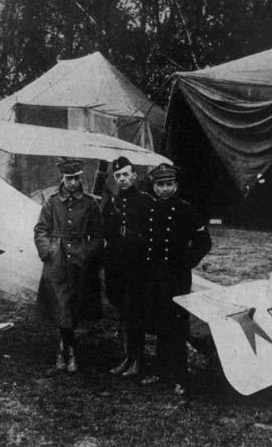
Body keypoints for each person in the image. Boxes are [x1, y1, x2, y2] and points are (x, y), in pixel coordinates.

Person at [139, 163, 211, 396]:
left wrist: (186, 262)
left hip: (177, 279)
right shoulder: (149, 210)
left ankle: (181, 376)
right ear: (154, 186)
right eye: (160, 185)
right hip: (154, 277)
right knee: (160, 324)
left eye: (169, 184)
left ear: (176, 185)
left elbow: (203, 242)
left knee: (177, 327)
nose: (165, 189)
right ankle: (160, 371)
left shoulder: (186, 210)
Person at [34, 159, 103, 374]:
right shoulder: (52, 202)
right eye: (69, 179)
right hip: (58, 261)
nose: (73, 183)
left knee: (74, 305)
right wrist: (49, 252)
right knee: (60, 304)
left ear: (81, 177)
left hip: (80, 261)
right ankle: (67, 352)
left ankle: (66, 346)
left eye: (76, 178)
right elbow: (40, 230)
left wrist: (89, 252)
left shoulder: (90, 203)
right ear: (62, 178)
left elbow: (99, 234)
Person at [102, 157, 155, 378]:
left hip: (138, 268)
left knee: (136, 315)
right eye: (118, 176)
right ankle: (128, 358)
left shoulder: (146, 202)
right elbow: (107, 235)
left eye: (126, 174)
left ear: (134, 176)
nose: (122, 179)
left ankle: (137, 360)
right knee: (124, 313)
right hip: (117, 268)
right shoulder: (111, 203)